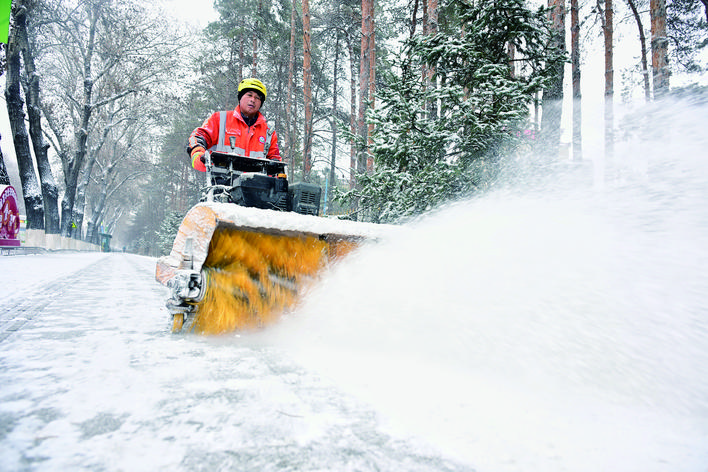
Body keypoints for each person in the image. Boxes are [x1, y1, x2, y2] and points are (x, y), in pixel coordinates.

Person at [187, 78, 281, 172]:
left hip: (256, 185)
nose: (253, 100)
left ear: (261, 103)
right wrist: (198, 154)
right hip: (222, 182)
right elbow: (198, 137)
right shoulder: (220, 119)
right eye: (249, 95)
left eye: (257, 98)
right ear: (240, 97)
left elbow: (275, 160)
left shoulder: (269, 132)